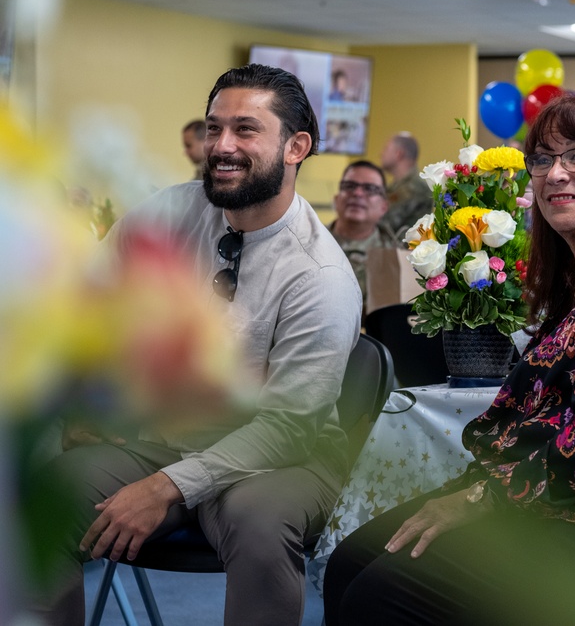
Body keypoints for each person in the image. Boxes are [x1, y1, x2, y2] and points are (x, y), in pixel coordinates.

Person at [323, 93, 575, 625]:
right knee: (350, 563)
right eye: (543, 159)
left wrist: (480, 501)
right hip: (555, 505)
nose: (555, 174)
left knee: (382, 595)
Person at [35, 64, 362, 626]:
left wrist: (166, 487)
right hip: (162, 438)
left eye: (245, 129)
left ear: (296, 147)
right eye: (214, 128)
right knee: (34, 502)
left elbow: (287, 428)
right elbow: (85, 307)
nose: (222, 146)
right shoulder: (169, 213)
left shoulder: (320, 274)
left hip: (281, 458)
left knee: (261, 526)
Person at [329, 160, 397, 321]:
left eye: (370, 189)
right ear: (337, 199)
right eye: (349, 186)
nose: (358, 193)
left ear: (384, 207)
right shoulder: (308, 244)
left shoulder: (397, 257)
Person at [380, 131, 431, 236]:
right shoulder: (396, 186)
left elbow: (385, 222)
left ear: (399, 154)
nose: (381, 154)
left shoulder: (416, 188)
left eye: (386, 149)